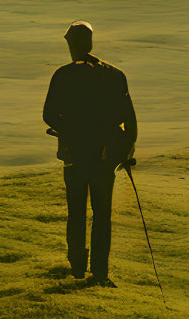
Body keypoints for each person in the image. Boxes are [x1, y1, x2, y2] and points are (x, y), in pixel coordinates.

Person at [42, 21, 137, 286]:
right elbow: (129, 120)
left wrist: (69, 129)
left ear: (72, 44)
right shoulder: (114, 75)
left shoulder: (63, 75)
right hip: (104, 158)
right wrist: (124, 149)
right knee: (102, 215)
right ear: (91, 43)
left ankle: (76, 267)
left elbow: (48, 115)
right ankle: (100, 271)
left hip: (74, 155)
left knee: (76, 213)